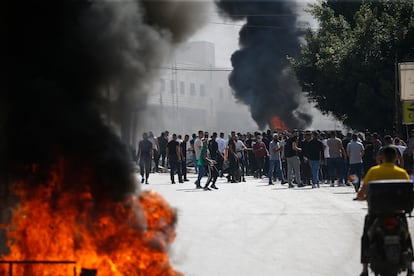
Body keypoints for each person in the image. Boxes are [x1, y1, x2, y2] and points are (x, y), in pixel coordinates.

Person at [355, 146, 411, 276]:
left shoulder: (374, 171)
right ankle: (410, 267)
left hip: (376, 214)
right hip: (397, 213)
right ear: (396, 158)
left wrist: (360, 197)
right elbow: (408, 193)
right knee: (406, 237)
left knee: (366, 237)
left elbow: (362, 192)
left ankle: (364, 269)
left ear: (382, 158)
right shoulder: (402, 173)